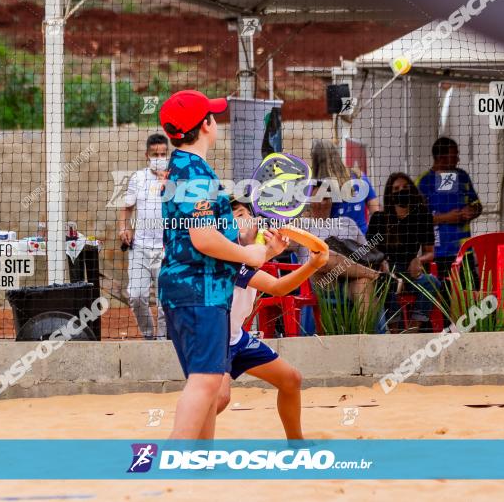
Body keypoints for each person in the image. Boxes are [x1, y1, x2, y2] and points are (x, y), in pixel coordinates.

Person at [157, 90, 282, 440]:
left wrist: (261, 252)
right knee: (207, 380)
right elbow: (203, 239)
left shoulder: (180, 167)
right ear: (206, 126)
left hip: (189, 288)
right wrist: (251, 254)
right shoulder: (196, 173)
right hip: (199, 290)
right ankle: (173, 458)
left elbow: (204, 239)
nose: (217, 120)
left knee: (206, 380)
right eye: (213, 115)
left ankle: (201, 461)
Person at [215, 196, 327, 440]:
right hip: (213, 340)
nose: (237, 220)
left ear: (255, 221)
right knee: (220, 399)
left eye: (242, 214)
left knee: (291, 380)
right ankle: (185, 436)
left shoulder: (250, 256)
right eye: (230, 218)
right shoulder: (227, 259)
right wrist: (310, 264)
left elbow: (272, 280)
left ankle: (296, 445)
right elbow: (277, 287)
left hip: (236, 338)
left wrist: (279, 253)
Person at [368, 172, 442, 332]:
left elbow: (430, 252)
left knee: (432, 282)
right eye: (396, 189)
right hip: (387, 271)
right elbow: (368, 250)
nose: (401, 191)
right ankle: (396, 332)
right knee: (384, 284)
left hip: (411, 272)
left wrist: (419, 260)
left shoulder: (422, 217)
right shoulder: (379, 219)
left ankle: (413, 330)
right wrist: (381, 261)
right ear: (390, 193)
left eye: (405, 187)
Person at [294, 181, 380, 319]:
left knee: (363, 283)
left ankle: (363, 336)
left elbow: (366, 253)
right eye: (317, 198)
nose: (321, 202)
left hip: (351, 278)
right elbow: (281, 244)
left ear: (332, 201)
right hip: (323, 281)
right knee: (322, 255)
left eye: (326, 198)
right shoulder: (300, 225)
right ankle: (378, 276)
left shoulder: (347, 222)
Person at [118, 133, 169, 340]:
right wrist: (123, 227)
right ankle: (148, 336)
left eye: (163, 154)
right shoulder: (138, 178)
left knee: (165, 303)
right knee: (136, 296)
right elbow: (126, 206)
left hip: (166, 250)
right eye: (155, 154)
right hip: (140, 247)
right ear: (146, 155)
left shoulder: (176, 178)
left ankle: (163, 341)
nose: (159, 157)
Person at [417, 137, 482, 275]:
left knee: (469, 293)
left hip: (464, 252)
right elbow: (416, 218)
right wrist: (446, 217)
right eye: (454, 156)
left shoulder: (462, 176)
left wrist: (472, 211)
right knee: (442, 293)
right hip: (437, 254)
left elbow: (478, 205)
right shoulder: (423, 182)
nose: (458, 159)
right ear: (441, 158)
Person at [310, 139, 379, 235]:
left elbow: (318, 223)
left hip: (335, 244)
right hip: (362, 240)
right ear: (336, 155)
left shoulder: (317, 188)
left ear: (315, 161)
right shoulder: (359, 176)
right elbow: (375, 211)